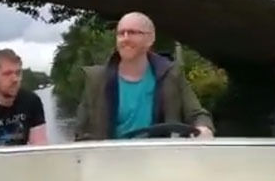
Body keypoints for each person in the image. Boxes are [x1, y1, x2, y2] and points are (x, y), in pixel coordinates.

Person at [75, 12, 215, 141]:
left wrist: (203, 128)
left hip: (160, 159)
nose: (125, 39)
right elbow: (81, 133)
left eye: (132, 33)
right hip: (111, 161)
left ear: (150, 38)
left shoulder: (171, 74)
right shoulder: (96, 80)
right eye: (120, 33)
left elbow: (197, 114)